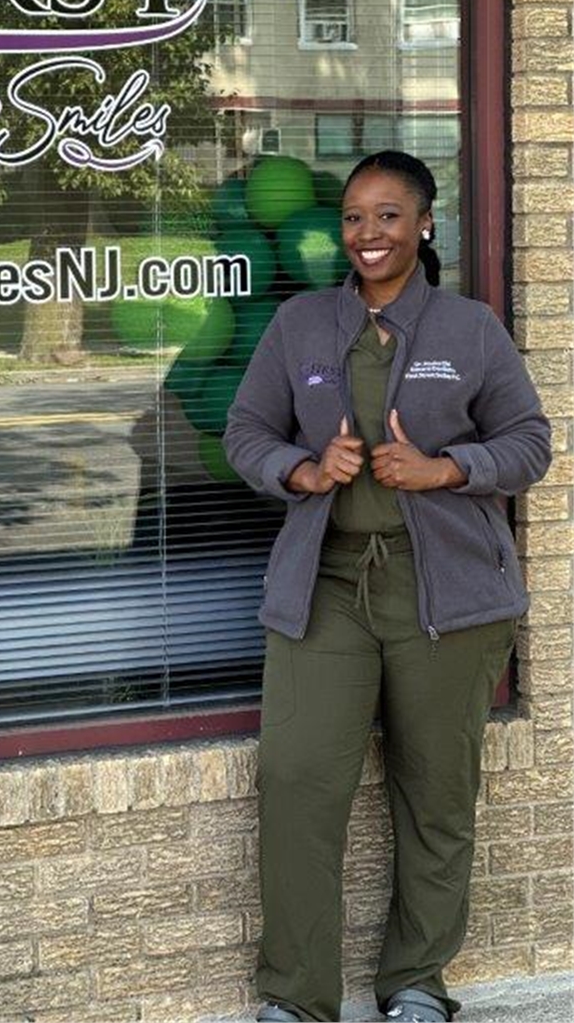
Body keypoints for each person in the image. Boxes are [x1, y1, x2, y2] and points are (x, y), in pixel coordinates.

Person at [223, 151, 552, 1023]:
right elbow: (246, 431)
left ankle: (415, 981)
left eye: (389, 216)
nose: (369, 234)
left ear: (425, 225)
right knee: (297, 781)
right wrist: (300, 468)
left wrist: (444, 469)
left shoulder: (470, 328)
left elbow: (529, 445)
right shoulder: (299, 324)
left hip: (446, 595)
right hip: (326, 586)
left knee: (436, 791)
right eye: (355, 218)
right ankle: (295, 998)